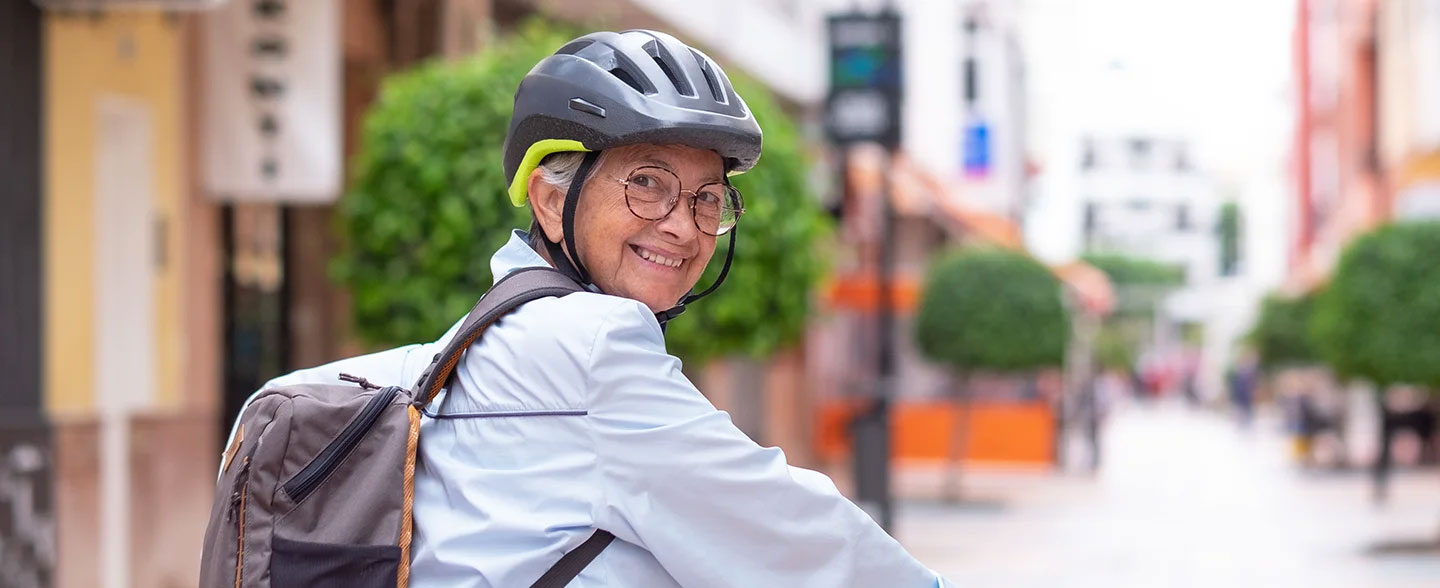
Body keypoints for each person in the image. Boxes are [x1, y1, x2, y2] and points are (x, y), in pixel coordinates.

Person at [225, 30, 952, 587]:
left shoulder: (489, 339)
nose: (683, 223)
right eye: (647, 183)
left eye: (706, 197)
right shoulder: (587, 343)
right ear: (549, 197)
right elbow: (796, 539)